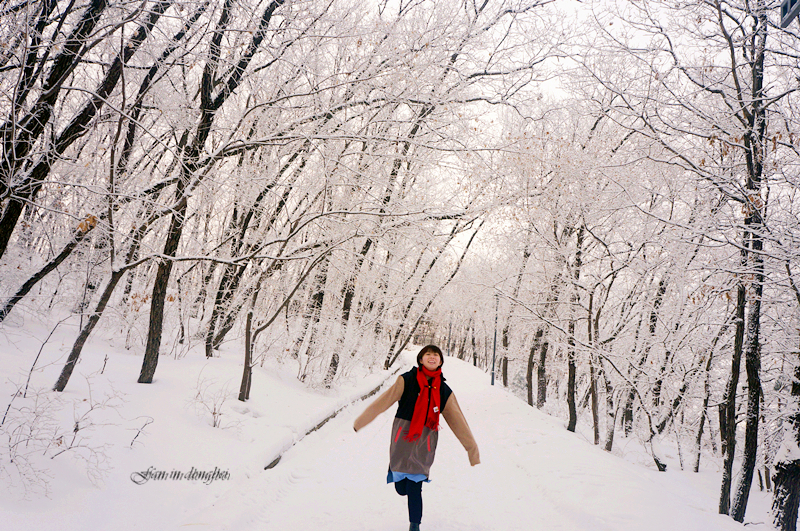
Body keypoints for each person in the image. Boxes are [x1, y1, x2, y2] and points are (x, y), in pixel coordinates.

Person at [353, 345, 480, 531]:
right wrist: (361, 421)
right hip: (402, 438)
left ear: (441, 361)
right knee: (401, 489)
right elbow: (383, 402)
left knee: (415, 485)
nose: (432, 357)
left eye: (436, 355)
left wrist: (472, 449)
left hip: (425, 441)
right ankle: (396, 473)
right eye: (428, 354)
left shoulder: (444, 391)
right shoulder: (406, 380)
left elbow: (458, 421)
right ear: (420, 359)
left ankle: (415, 525)